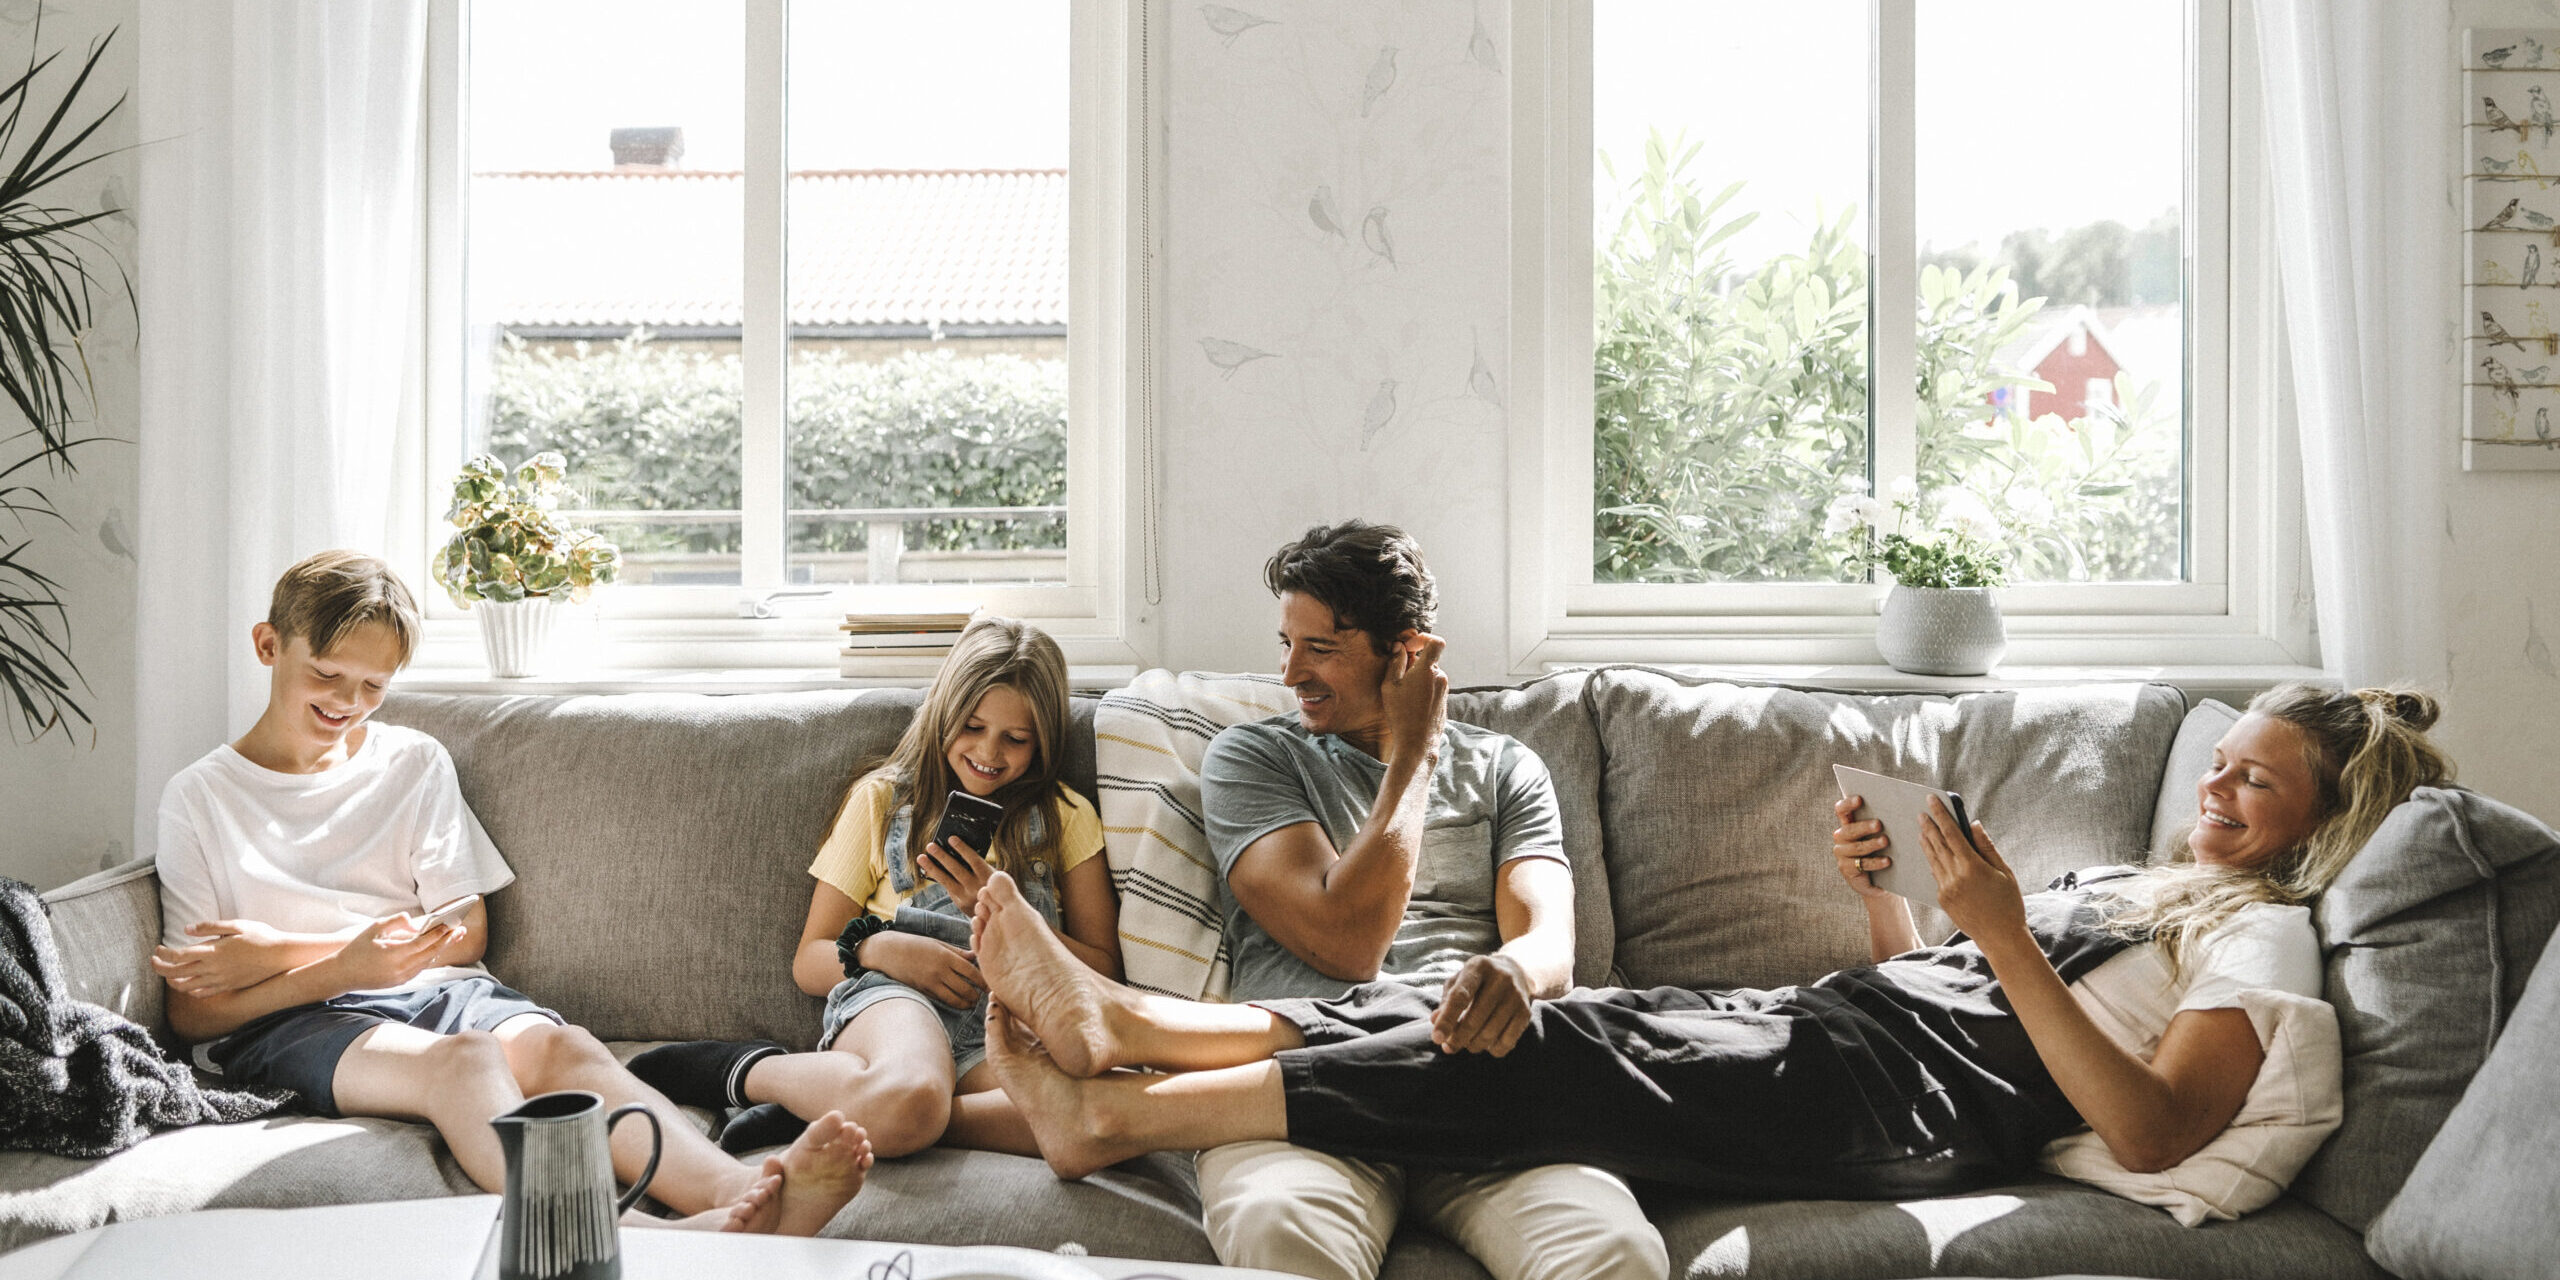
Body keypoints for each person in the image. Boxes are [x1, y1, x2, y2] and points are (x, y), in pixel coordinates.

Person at [964, 683, 2450, 1206]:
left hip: (1881, 1108)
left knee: (1519, 1046)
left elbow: (2150, 1127)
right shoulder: (2158, 886)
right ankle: (1126, 1049)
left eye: (2257, 782)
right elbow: (1962, 990)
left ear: (2321, 826)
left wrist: (1995, 930)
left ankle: (1118, 1089)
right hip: (1849, 1033)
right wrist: (1898, 905)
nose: (2218, 790)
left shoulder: (2262, 943)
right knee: (1486, 1015)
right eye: (2223, 764)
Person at [151, 551, 871, 1235]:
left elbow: (463, 931)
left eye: (374, 687)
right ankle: (631, 1235)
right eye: (329, 674)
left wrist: (298, 949)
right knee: (467, 1062)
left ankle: (742, 1198)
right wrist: (339, 972)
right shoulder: (201, 797)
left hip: (440, 987)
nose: (348, 702)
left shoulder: (412, 761)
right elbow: (193, 1012)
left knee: (570, 1050)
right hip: (293, 1024)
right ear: (268, 645)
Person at [1167, 521, 1662, 1280]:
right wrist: (1415, 755)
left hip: (1473, 1080)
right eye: (1286, 643)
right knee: (1279, 1232)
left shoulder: (1506, 766)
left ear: (1406, 653)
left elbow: (1548, 943)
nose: (1290, 671)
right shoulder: (1255, 757)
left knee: (1615, 1252)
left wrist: (1517, 974)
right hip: (1312, 1082)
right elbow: (1345, 943)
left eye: (1320, 649)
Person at [630, 616, 1120, 1159]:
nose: (990, 751)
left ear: (1043, 741)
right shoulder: (882, 802)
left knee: (1096, 1117)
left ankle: (835, 1103)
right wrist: (884, 948)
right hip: (897, 998)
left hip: (1007, 1020)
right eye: (973, 727)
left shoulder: (1066, 818)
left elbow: (1103, 970)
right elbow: (810, 959)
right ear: (944, 714)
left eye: (1016, 738)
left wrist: (1006, 920)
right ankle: (754, 1072)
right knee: (911, 1098)